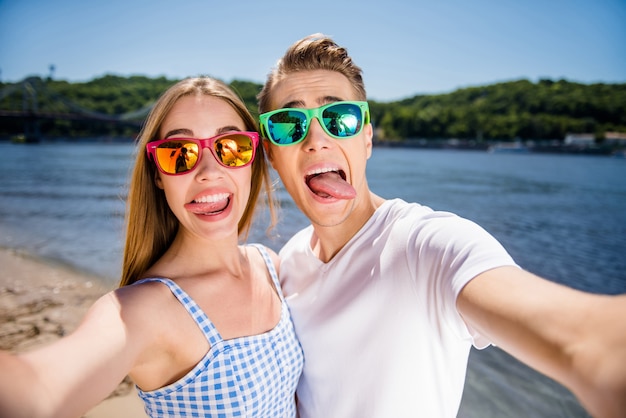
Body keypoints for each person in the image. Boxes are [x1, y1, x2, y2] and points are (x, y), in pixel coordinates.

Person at [257, 34, 626, 418]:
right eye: (288, 124)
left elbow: (584, 340)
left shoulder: (425, 246)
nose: (316, 139)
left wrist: (603, 353)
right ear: (271, 153)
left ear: (367, 138)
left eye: (339, 118)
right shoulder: (291, 260)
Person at [0, 76, 304, 418]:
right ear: (158, 174)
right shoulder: (146, 310)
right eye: (179, 154)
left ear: (252, 159)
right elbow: (42, 389)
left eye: (231, 147)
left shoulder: (271, 266)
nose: (208, 171)